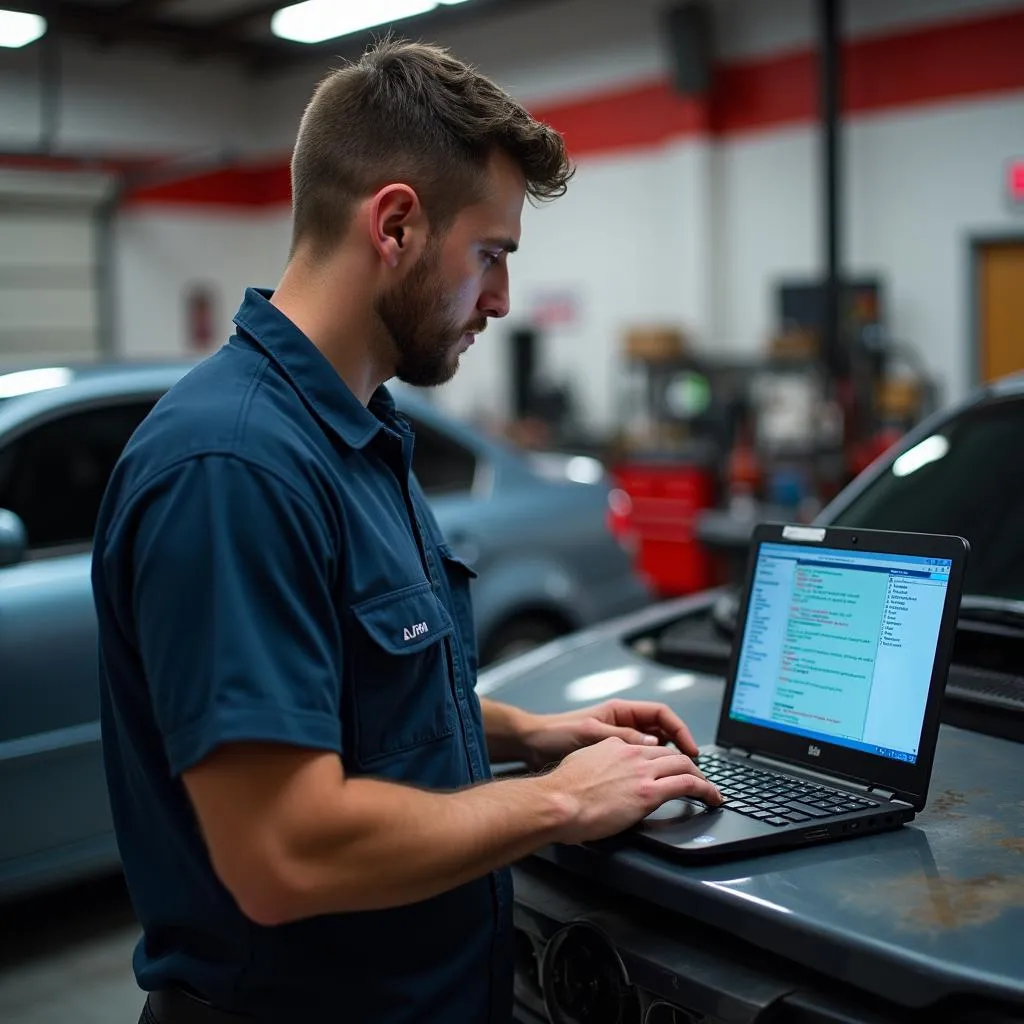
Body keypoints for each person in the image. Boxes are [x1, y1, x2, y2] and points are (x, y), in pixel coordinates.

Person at [91, 37, 722, 1024]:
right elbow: (282, 851)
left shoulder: (358, 436)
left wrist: (524, 735)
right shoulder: (235, 466)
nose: (502, 300)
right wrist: (564, 800)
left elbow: (353, 700)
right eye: (491, 255)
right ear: (394, 224)